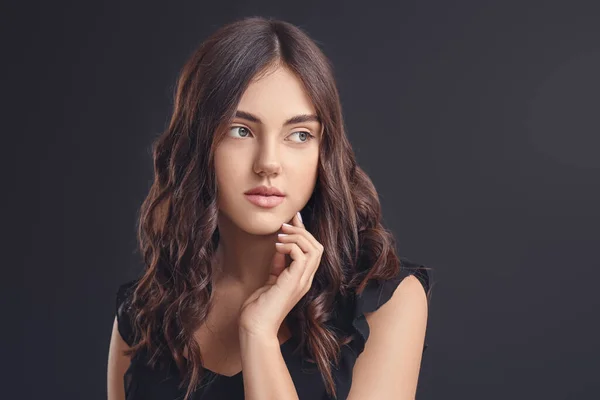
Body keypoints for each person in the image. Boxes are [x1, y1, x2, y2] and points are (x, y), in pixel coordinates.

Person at [107, 16, 432, 400]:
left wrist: (258, 334)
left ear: (322, 152)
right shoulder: (146, 311)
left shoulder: (384, 300)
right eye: (240, 130)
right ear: (198, 145)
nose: (269, 163)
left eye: (299, 134)